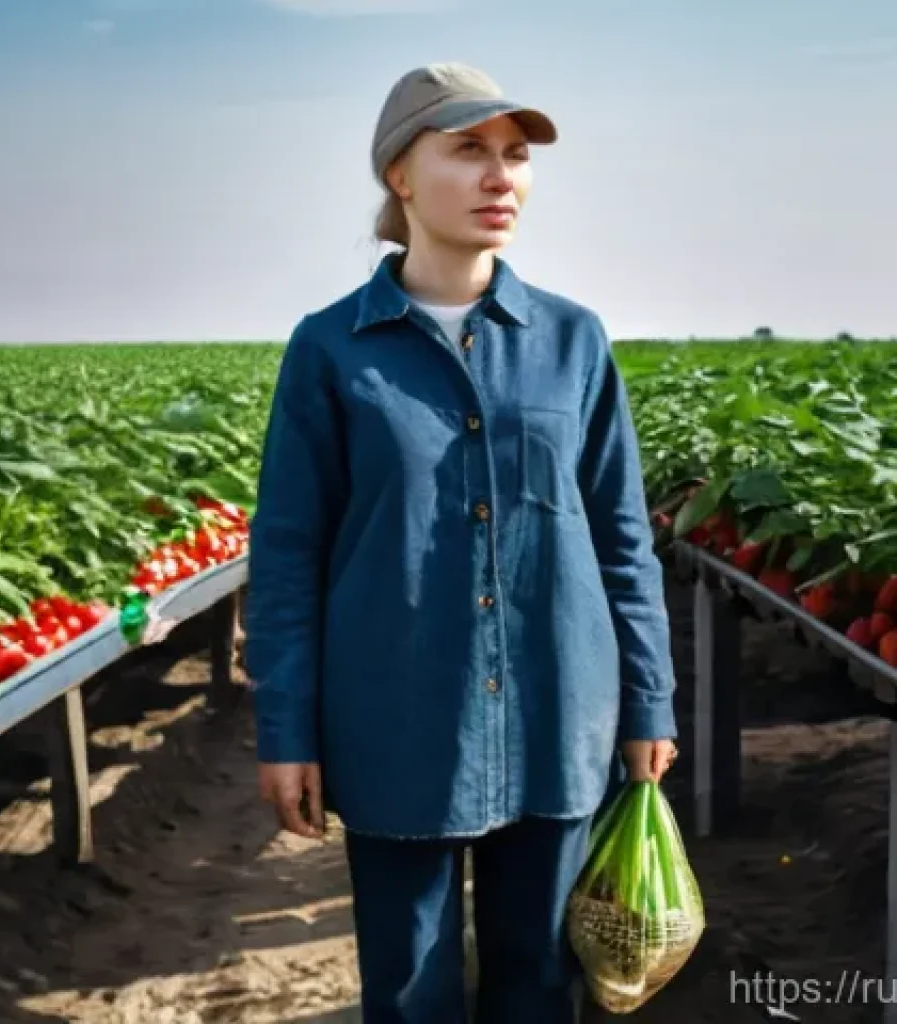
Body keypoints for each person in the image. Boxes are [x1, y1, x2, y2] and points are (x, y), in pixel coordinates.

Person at [243, 62, 679, 1024]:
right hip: (397, 721)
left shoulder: (573, 339)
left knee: (538, 982)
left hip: (560, 714)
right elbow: (286, 555)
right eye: (469, 151)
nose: (502, 178)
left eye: (517, 157)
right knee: (407, 992)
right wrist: (287, 727)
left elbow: (621, 536)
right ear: (401, 175)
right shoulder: (331, 349)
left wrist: (650, 700)